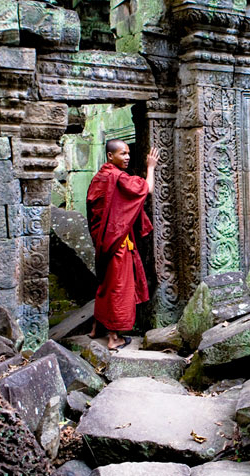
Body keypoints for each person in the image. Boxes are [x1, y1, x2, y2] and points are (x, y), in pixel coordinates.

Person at [86, 139, 159, 350]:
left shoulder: (99, 177)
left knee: (105, 287)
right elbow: (147, 189)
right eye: (122, 154)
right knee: (119, 288)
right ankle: (113, 338)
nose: (127, 157)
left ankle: (95, 329)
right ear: (110, 156)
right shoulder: (119, 178)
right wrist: (150, 167)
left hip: (104, 243)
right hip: (118, 245)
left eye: (128, 153)